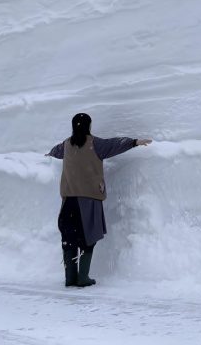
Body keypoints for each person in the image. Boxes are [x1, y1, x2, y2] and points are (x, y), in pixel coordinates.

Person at [46, 113, 152, 288]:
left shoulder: (66, 145)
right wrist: (134, 142)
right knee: (88, 238)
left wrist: (48, 153)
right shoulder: (94, 144)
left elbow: (54, 152)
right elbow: (114, 145)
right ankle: (83, 278)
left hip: (68, 201)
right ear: (89, 126)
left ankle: (70, 278)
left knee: (69, 238)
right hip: (88, 200)